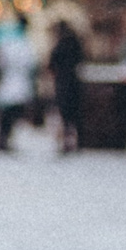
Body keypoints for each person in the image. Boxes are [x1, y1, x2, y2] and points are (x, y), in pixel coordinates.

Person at [0, 15, 38, 151]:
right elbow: (29, 62)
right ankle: (4, 140)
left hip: (9, 82)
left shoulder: (7, 40)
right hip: (14, 82)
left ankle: (3, 140)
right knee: (10, 114)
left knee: (6, 114)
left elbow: (1, 62)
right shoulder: (21, 42)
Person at [47, 16, 87, 152]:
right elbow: (82, 59)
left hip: (63, 82)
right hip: (74, 81)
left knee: (65, 113)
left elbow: (51, 64)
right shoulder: (76, 43)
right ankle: (76, 140)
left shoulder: (60, 45)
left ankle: (66, 141)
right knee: (74, 114)